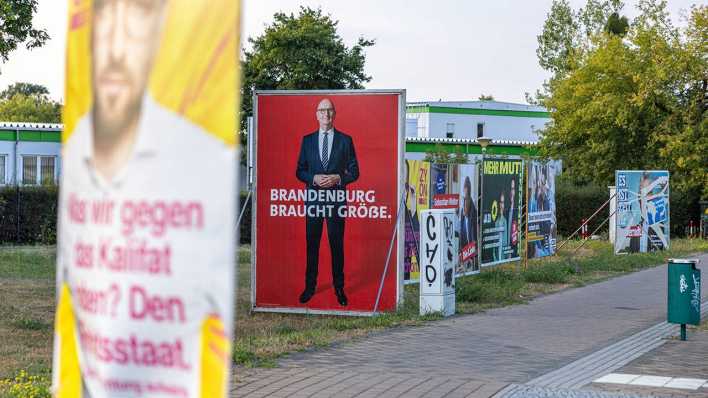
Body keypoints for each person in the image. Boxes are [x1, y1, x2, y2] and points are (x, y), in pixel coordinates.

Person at [55, 1, 234, 396]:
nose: (115, 49)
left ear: (156, 40)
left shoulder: (198, 157)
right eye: (105, 27)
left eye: (133, 28)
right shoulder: (74, 150)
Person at [296, 98, 360, 306]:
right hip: (314, 200)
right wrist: (313, 178)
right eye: (322, 110)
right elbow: (300, 170)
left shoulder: (345, 140)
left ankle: (339, 289)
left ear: (334, 114)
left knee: (336, 245)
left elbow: (355, 172)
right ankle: (309, 287)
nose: (326, 114)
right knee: (312, 245)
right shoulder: (307, 140)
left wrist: (338, 178)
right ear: (316, 114)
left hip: (336, 201)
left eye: (329, 110)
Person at [459, 176, 477, 270]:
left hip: (471, 244)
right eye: (464, 188)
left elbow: (474, 228)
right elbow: (461, 233)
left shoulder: (472, 208)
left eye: (466, 188)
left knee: (470, 264)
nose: (464, 208)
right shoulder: (462, 215)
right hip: (464, 245)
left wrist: (474, 242)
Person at [494, 192, 508, 261]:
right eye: (500, 202)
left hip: (503, 258)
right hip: (495, 258)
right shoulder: (495, 221)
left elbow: (506, 242)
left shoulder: (505, 221)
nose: (501, 205)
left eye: (503, 203)